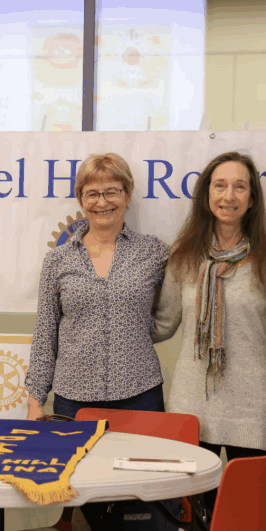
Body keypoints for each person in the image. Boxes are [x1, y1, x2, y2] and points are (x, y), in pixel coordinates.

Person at [154, 151, 266, 496]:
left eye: (240, 187)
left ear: (253, 199)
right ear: (206, 195)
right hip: (190, 406)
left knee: (245, 519)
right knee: (192, 521)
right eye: (220, 186)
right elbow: (162, 324)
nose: (229, 196)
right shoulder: (183, 256)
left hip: (251, 409)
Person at [25, 152, 170, 421]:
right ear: (81, 200)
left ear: (127, 195)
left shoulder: (155, 252)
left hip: (141, 395)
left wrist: (135, 331)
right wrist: (35, 400)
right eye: (92, 194)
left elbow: (173, 310)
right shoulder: (57, 260)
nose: (102, 202)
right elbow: (45, 335)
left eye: (112, 192)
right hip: (73, 401)